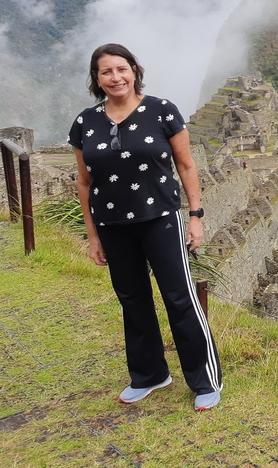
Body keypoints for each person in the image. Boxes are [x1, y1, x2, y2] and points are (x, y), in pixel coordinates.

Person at [69, 43, 223, 411]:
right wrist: (92, 235)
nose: (115, 77)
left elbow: (186, 166)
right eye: (106, 72)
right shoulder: (84, 122)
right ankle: (149, 374)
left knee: (179, 298)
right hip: (111, 224)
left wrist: (196, 216)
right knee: (133, 301)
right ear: (97, 79)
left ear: (134, 70)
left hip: (161, 220)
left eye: (121, 69)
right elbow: (84, 182)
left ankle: (204, 380)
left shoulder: (161, 110)